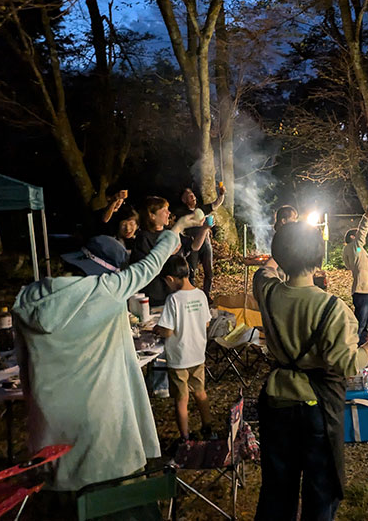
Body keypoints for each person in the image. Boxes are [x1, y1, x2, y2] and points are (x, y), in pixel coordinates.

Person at [12, 213, 201, 492]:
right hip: (99, 416)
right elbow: (149, 266)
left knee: (63, 486)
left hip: (50, 419)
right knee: (106, 484)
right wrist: (177, 227)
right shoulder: (105, 290)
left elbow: (23, 361)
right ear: (108, 271)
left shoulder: (28, 298)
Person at [253, 221, 368, 520]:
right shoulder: (333, 309)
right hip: (315, 407)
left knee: (276, 488)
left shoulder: (266, 291)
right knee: (320, 489)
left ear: (280, 256)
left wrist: (279, 253)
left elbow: (265, 271)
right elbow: (347, 364)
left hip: (275, 401)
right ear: (320, 259)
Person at [154, 255, 213, 443]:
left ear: (170, 279)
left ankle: (185, 438)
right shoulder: (200, 295)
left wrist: (158, 329)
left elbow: (168, 332)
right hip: (197, 354)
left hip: (179, 358)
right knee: (200, 392)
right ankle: (208, 429)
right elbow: (205, 324)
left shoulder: (173, 300)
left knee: (181, 398)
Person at [175, 184, 226, 300]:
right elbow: (180, 229)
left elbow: (216, 204)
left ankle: (207, 295)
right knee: (191, 271)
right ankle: (191, 295)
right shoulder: (182, 214)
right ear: (184, 200)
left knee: (209, 270)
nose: (192, 197)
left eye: (192, 195)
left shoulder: (201, 209)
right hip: (192, 244)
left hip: (205, 243)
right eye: (188, 196)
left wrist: (222, 194)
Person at [342, 198, 368, 344]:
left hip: (365, 290)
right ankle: (355, 349)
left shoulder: (356, 250)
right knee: (361, 323)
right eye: (357, 234)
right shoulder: (355, 247)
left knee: (366, 322)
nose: (360, 236)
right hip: (362, 291)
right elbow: (362, 232)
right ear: (353, 237)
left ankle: (363, 348)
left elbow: (351, 265)